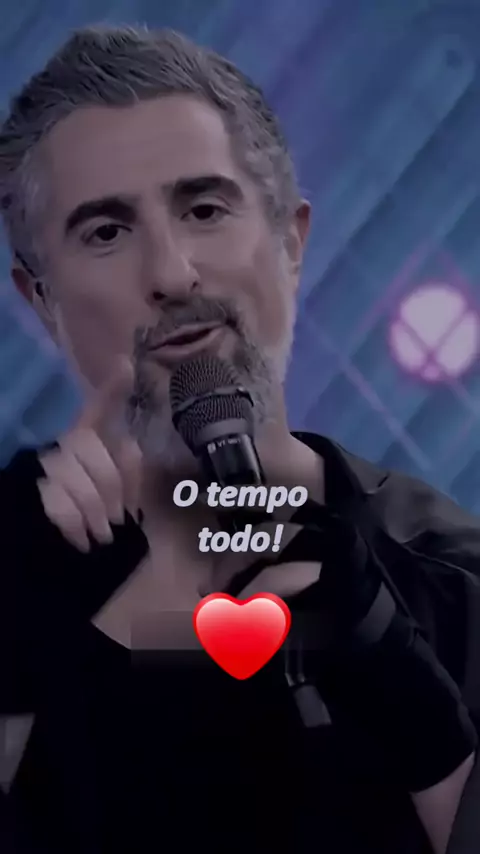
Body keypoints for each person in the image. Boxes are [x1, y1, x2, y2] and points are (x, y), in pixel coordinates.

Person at [0, 24, 479, 854]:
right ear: (40, 300)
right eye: (106, 231)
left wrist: (416, 708)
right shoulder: (11, 566)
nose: (172, 273)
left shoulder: (451, 579)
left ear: (291, 242)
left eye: (204, 209)